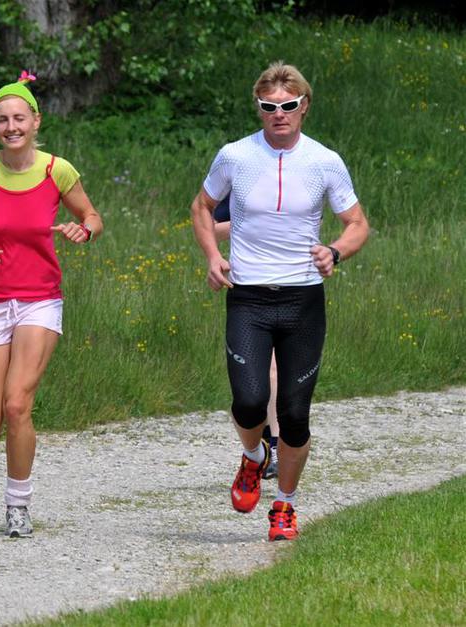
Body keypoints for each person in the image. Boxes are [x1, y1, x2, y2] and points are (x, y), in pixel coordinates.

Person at [190, 61, 369, 541]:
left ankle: (285, 506)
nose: (279, 114)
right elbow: (201, 207)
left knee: (293, 414)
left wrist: (335, 252)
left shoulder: (324, 161)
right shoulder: (235, 155)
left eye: (288, 105)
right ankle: (253, 456)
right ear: (259, 109)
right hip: (248, 297)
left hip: (302, 300)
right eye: (269, 107)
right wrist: (213, 256)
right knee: (249, 402)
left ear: (304, 106)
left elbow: (357, 224)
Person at [0, 72, 103, 537]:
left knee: (17, 405)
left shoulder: (57, 171)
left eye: (19, 118)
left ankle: (18, 505)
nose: (11, 127)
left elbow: (92, 216)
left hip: (39, 300)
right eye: (2, 120)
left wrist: (83, 230)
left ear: (36, 121)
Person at [214, 197, 279, 480]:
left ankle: (275, 446)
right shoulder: (239, 179)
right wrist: (250, 223)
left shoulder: (300, 178)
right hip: (248, 290)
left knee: (276, 369)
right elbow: (211, 228)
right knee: (250, 385)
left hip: (293, 288)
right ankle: (258, 447)